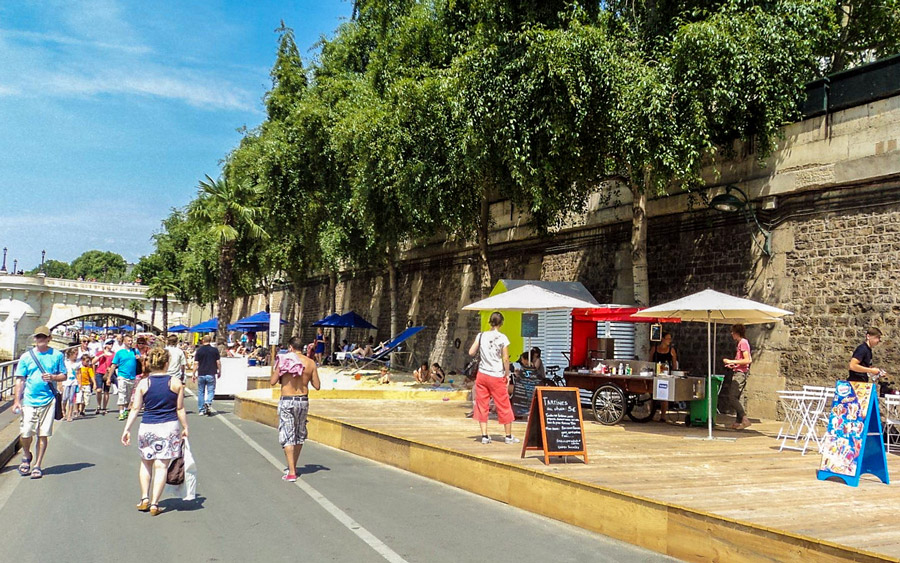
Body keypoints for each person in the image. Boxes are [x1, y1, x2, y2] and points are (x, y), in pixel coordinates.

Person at [121, 348, 188, 516]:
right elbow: (179, 408)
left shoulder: (144, 383)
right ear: (167, 364)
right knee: (162, 465)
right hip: (169, 427)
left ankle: (144, 498)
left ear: (150, 363)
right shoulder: (176, 383)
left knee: (146, 463)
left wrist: (127, 428)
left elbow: (136, 408)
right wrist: (185, 427)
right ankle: (155, 503)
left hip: (148, 427)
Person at [13, 325, 67, 479]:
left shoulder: (56, 355)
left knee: (43, 434)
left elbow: (64, 375)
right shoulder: (26, 357)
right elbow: (20, 379)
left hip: (48, 400)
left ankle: (37, 464)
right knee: (25, 433)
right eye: (38, 337)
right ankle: (26, 454)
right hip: (29, 400)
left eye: (43, 337)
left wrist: (53, 377)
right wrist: (17, 400)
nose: (40, 340)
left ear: (49, 339)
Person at [269, 336, 320, 482]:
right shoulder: (310, 363)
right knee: (299, 434)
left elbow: (272, 382)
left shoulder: (284, 361)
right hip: (303, 400)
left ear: (290, 347)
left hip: (287, 400)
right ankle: (293, 467)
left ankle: (291, 472)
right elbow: (317, 385)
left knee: (287, 434)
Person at [468, 312, 518, 444]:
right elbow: (506, 358)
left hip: (483, 374)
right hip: (496, 375)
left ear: (490, 322)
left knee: (482, 404)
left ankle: (484, 436)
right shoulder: (503, 338)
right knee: (503, 404)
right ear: (501, 323)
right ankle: (508, 436)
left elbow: (471, 352)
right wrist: (507, 374)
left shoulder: (481, 335)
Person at [722, 324, 752, 430]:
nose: (731, 334)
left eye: (733, 332)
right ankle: (738, 422)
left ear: (737, 333)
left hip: (740, 374)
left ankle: (744, 419)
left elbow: (747, 360)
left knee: (732, 397)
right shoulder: (741, 343)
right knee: (739, 397)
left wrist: (732, 361)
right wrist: (734, 365)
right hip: (739, 371)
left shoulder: (743, 343)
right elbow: (743, 362)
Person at [108, 334, 141, 421]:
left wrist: (139, 359)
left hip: (132, 376)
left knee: (128, 396)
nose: (130, 342)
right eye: (128, 341)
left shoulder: (135, 351)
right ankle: (121, 412)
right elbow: (113, 365)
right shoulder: (119, 353)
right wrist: (109, 377)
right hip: (122, 376)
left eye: (131, 341)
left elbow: (142, 362)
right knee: (122, 394)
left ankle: (125, 410)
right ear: (124, 342)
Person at [649, 332, 678, 422]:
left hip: (666, 375)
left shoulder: (671, 350)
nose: (669, 341)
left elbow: (674, 364)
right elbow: (650, 360)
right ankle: (652, 414)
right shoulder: (654, 349)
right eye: (668, 339)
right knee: (652, 394)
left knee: (664, 395)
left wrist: (673, 373)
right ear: (662, 339)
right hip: (655, 373)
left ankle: (663, 416)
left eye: (670, 339)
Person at [192, 335, 221, 416]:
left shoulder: (199, 350)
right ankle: (208, 402)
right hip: (211, 373)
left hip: (201, 373)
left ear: (203, 341)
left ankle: (201, 410)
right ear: (210, 340)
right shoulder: (214, 350)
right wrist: (219, 371)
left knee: (201, 392)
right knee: (211, 390)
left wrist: (193, 373)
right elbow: (218, 362)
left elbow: (196, 363)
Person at [94, 340, 115, 415]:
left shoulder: (113, 354)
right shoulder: (101, 352)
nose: (111, 345)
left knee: (106, 391)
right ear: (105, 345)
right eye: (109, 344)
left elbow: (115, 364)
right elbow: (93, 362)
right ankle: (98, 405)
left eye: (112, 344)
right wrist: (100, 356)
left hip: (108, 373)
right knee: (99, 390)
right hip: (99, 372)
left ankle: (104, 407)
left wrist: (111, 368)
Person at [62, 348, 79, 422]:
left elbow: (79, 373)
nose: (76, 356)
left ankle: (69, 415)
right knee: (64, 398)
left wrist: (79, 383)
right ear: (71, 355)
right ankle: (63, 412)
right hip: (66, 382)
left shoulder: (77, 363)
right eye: (75, 354)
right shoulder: (65, 362)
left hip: (74, 382)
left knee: (71, 398)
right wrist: (59, 384)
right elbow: (61, 372)